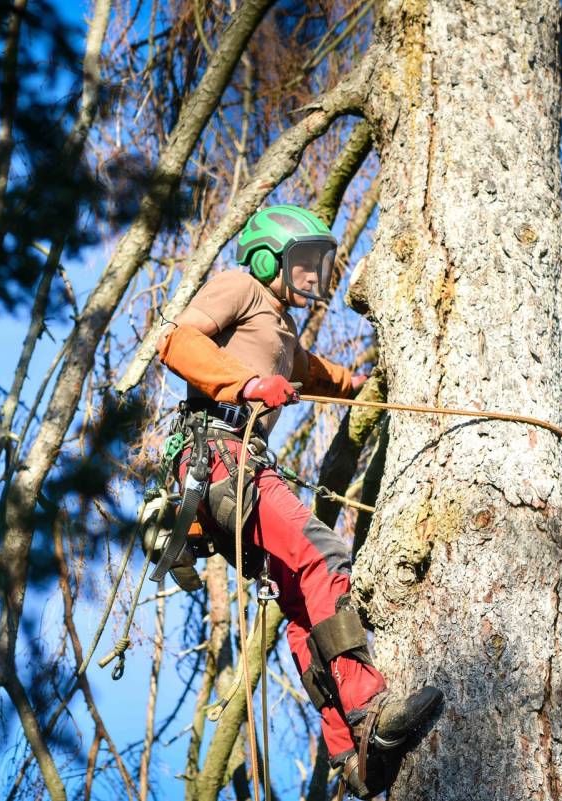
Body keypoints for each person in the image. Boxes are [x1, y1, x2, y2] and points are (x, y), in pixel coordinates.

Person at [154, 205, 443, 797]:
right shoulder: (240, 286)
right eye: (305, 263)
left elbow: (311, 371)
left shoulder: (280, 328)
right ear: (268, 257)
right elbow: (177, 340)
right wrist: (245, 385)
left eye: (320, 266)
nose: (314, 277)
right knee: (325, 556)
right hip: (221, 459)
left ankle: (351, 752)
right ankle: (369, 707)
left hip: (228, 476)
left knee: (302, 607)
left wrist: (364, 388)